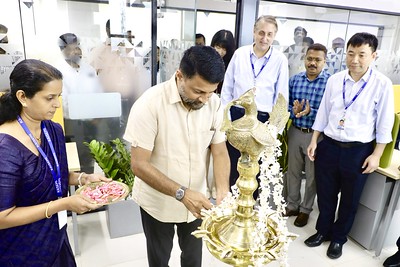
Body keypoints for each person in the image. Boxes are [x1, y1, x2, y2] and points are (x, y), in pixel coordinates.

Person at [123, 45, 230, 267]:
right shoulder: (149, 104)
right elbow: (139, 164)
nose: (204, 99)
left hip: (197, 202)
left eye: (211, 92)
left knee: (193, 258)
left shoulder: (214, 104)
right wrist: (181, 193)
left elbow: (219, 151)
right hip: (157, 203)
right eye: (198, 91)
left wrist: (222, 191)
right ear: (180, 76)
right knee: (159, 259)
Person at [0, 59, 110, 266]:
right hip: (21, 248)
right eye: (50, 98)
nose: (57, 104)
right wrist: (63, 204)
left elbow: (52, 176)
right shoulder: (5, 147)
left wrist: (83, 178)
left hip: (56, 236)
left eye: (59, 96)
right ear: (22, 97)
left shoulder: (52, 129)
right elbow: (3, 216)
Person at [305, 32, 395, 259]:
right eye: (351, 53)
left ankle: (338, 238)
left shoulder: (382, 84)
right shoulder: (335, 80)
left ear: (373, 56)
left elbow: (385, 123)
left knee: (349, 199)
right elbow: (324, 112)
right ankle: (322, 231)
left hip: (358, 151)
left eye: (361, 55)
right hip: (329, 146)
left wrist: (376, 155)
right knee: (325, 195)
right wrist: (315, 140)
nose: (355, 59)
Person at [220, 15, 289, 198]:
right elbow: (227, 87)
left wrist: (274, 130)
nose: (264, 38)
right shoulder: (240, 54)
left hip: (262, 119)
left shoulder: (280, 60)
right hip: (237, 115)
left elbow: (281, 95)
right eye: (261, 33)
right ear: (254, 32)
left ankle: (251, 203)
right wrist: (225, 118)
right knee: (234, 160)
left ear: (274, 36)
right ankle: (232, 201)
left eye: (269, 34)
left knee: (256, 165)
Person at [285, 43, 330, 227]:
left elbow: (330, 112)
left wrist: (311, 112)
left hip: (316, 137)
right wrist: (293, 110)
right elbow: (285, 104)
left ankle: (305, 210)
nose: (313, 63)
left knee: (312, 176)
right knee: (293, 172)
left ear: (324, 61)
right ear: (305, 59)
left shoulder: (330, 83)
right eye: (310, 59)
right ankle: (292, 205)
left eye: (317, 60)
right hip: (295, 131)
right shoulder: (295, 80)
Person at [210, 29, 236, 95]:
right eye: (218, 47)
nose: (220, 52)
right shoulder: (206, 60)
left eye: (224, 49)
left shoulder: (233, 64)